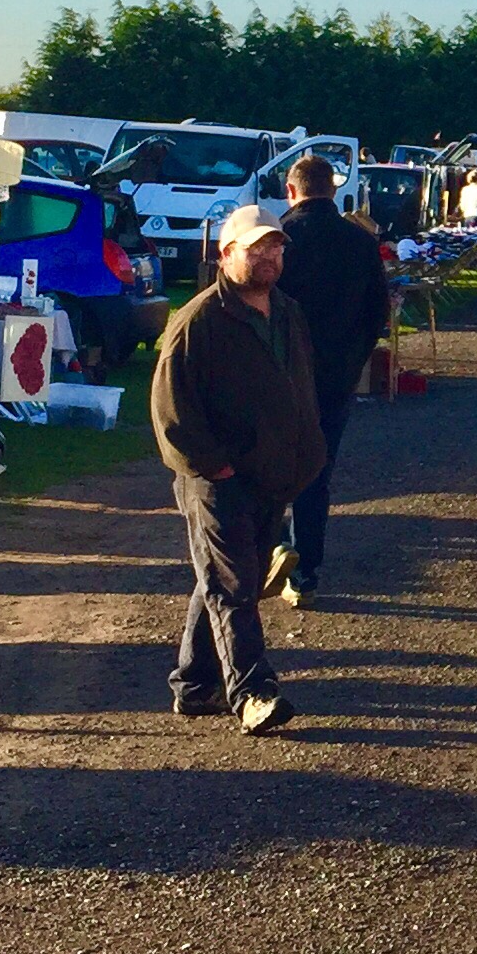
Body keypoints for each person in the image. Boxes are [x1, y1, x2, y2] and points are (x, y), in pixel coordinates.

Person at [150, 207, 327, 734]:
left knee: (224, 580)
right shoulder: (198, 320)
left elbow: (300, 388)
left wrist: (307, 453)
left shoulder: (288, 313)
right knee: (234, 585)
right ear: (226, 254)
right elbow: (169, 408)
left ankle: (195, 683)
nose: (269, 256)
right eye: (256, 248)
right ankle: (253, 693)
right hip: (215, 479)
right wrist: (212, 465)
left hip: (273, 476)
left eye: (275, 247)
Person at [270, 155, 388, 604]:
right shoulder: (359, 241)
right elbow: (378, 310)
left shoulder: (282, 237)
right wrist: (355, 357)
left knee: (267, 464)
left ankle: (271, 549)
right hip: (337, 375)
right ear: (334, 190)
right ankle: (307, 572)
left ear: (291, 189)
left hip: (281, 373)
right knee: (316, 472)